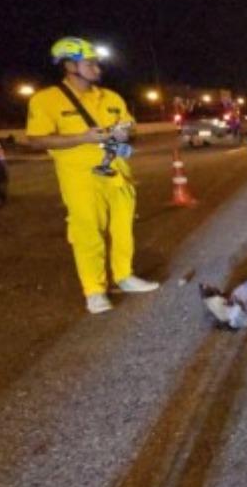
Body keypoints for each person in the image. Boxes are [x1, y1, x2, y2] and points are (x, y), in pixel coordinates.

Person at [25, 37, 159, 314]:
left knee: (123, 230)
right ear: (70, 66)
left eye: (96, 62)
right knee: (88, 235)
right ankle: (95, 291)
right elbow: (37, 140)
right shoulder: (47, 100)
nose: (97, 67)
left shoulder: (111, 97)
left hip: (119, 173)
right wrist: (82, 137)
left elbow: (130, 128)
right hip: (81, 179)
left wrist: (125, 132)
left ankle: (124, 276)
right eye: (90, 63)